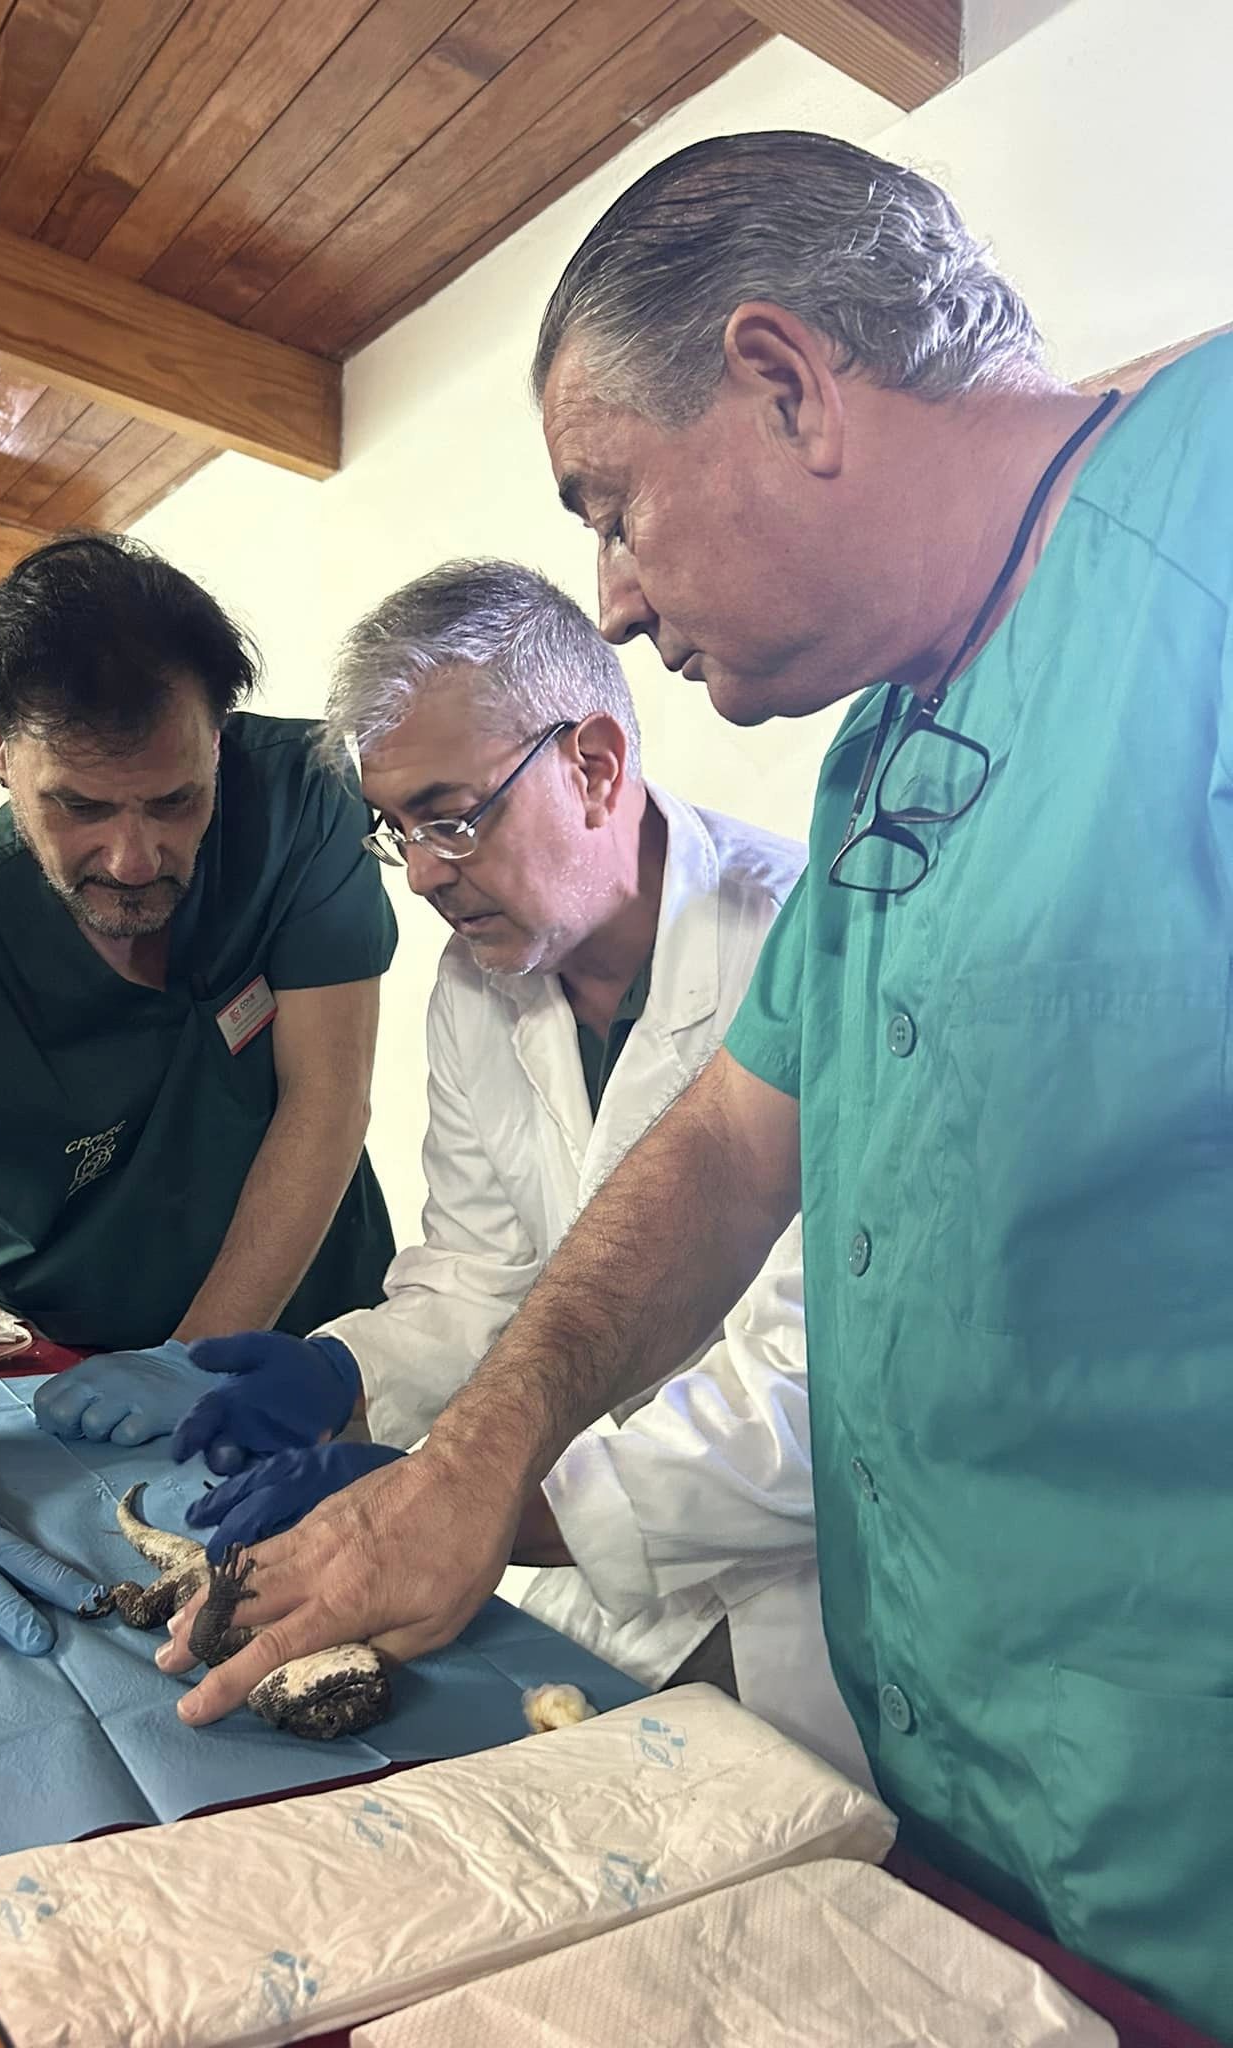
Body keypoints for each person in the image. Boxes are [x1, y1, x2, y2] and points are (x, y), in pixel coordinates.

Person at [157, 135, 1233, 2033]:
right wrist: (457, 1461)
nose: (620, 600)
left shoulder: (1210, 529)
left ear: (787, 382)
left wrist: (485, 1476)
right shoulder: (889, 750)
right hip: (971, 1808)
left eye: (614, 508)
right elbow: (740, 1138)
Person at [163, 559, 865, 1776]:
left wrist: (475, 1495)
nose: (426, 872)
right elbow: (486, 1275)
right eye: (399, 831)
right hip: (556, 1589)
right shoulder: (480, 985)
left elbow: (816, 1388)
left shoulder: (805, 942)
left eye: (452, 814)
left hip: (776, 1600)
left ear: (593, 764)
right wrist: (345, 1373)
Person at [0, 534, 396, 1672]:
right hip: (66, 1370)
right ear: (1, 751)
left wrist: (202, 1351)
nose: (133, 856)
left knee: (352, 1651)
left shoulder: (300, 800)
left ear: (220, 738)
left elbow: (328, 1098)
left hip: (305, 1345)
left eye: (175, 799)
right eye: (79, 808)